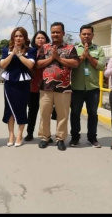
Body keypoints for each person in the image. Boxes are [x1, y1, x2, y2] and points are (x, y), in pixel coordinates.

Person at [37, 22, 78, 151]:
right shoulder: (44, 47)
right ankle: (44, 137)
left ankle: (60, 139)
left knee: (63, 115)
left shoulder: (70, 48)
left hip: (64, 88)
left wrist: (59, 59)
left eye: (58, 32)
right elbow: (38, 64)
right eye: (53, 32)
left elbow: (75, 63)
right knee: (44, 114)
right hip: (46, 87)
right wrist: (51, 58)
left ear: (63, 33)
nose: (55, 34)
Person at [70, 24, 106, 148]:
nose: (86, 36)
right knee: (75, 113)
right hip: (76, 88)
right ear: (80, 35)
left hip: (93, 88)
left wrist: (89, 56)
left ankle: (92, 138)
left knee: (93, 114)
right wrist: (82, 57)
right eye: (84, 34)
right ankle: (75, 137)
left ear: (92, 35)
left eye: (88, 34)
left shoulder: (99, 49)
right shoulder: (73, 49)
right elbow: (71, 65)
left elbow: (101, 66)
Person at [0, 27, 36, 147]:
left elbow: (30, 65)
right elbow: (3, 64)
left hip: (23, 83)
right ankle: (11, 134)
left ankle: (20, 134)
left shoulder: (30, 50)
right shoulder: (6, 49)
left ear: (25, 38)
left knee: (21, 108)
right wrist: (12, 54)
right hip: (9, 83)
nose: (18, 38)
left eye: (21, 36)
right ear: (13, 38)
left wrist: (20, 55)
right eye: (16, 36)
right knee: (9, 109)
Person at [24, 30, 51, 142]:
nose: (40, 40)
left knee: (46, 112)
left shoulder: (50, 50)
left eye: (42, 38)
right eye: (38, 38)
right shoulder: (30, 51)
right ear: (34, 40)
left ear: (46, 39)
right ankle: (30, 133)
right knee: (32, 111)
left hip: (48, 85)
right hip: (33, 86)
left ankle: (46, 134)